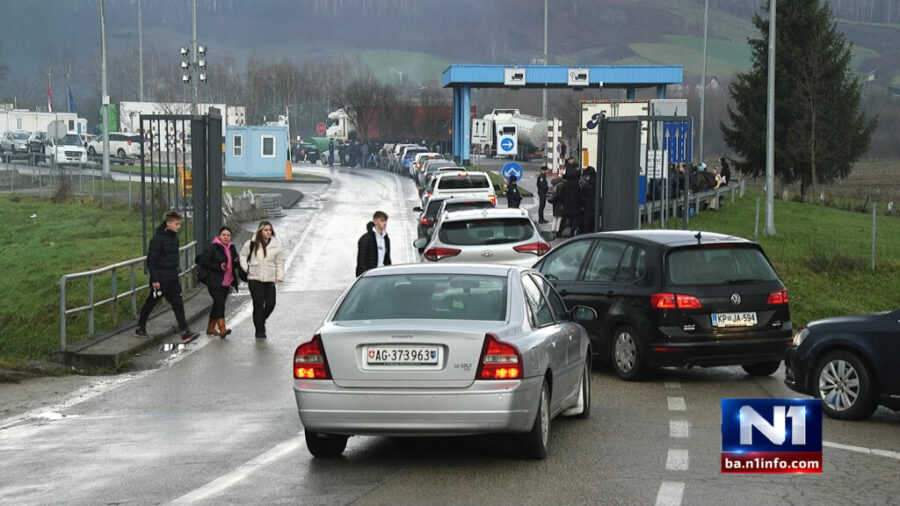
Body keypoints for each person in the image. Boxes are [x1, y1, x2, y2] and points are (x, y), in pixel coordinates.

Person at [135, 211, 196, 342]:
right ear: (168, 224)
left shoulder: (174, 238)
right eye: (176, 224)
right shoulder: (158, 239)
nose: (178, 227)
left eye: (179, 224)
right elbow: (151, 260)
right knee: (151, 303)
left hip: (172, 278)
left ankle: (185, 331)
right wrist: (155, 279)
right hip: (161, 279)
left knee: (178, 304)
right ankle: (140, 327)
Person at [240, 221, 284, 339]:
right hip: (254, 278)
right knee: (258, 304)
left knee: (270, 304)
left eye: (270, 230)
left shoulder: (275, 246)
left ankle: (261, 320)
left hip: (269, 279)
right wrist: (246, 268)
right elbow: (243, 256)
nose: (268, 232)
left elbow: (279, 262)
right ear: (260, 231)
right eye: (265, 230)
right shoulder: (251, 244)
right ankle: (260, 330)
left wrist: (279, 276)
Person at [197, 226, 240, 338]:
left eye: (228, 235)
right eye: (223, 235)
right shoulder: (212, 248)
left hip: (227, 281)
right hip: (214, 281)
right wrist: (218, 266)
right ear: (219, 236)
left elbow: (235, 264)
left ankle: (210, 328)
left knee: (217, 304)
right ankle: (222, 329)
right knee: (220, 303)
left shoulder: (232, 248)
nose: (226, 237)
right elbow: (204, 261)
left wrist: (237, 261)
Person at [356, 211, 391, 276]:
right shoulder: (366, 238)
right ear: (375, 221)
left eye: (386, 220)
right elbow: (361, 260)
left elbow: (387, 259)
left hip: (382, 274)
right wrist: (367, 275)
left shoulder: (386, 239)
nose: (385, 223)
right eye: (382, 220)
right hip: (369, 276)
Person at [559, 169, 584, 237]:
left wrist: (562, 204)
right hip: (575, 206)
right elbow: (580, 197)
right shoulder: (578, 186)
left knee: (564, 220)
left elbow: (562, 196)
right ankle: (572, 234)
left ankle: (559, 232)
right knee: (574, 221)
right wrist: (581, 205)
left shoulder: (565, 186)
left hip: (566, 206)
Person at [580, 166, 597, 234]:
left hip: (588, 204)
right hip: (596, 204)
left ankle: (586, 232)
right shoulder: (599, 184)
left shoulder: (586, 185)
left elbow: (582, 196)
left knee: (586, 219)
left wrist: (583, 204)